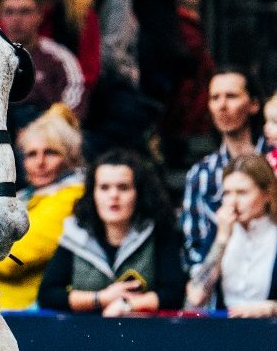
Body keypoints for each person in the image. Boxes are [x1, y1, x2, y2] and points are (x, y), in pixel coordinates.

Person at [39, 149, 183, 314]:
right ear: (93, 194)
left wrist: (126, 306)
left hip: (144, 334)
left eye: (123, 187)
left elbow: (174, 294)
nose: (113, 195)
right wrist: (101, 299)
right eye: (104, 187)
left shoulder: (158, 232)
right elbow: (48, 295)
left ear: (139, 193)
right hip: (85, 335)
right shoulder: (76, 235)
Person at [0, 105, 85, 309]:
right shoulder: (24, 196)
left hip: (31, 311)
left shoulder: (73, 197)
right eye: (31, 154)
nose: (40, 162)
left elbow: (11, 260)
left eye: (51, 153)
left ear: (70, 157)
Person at [181, 70, 267, 274]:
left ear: (253, 104)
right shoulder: (200, 175)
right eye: (214, 98)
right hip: (221, 291)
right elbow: (194, 254)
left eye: (231, 96)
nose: (222, 106)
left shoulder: (273, 162)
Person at [185, 154, 277, 316]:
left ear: (267, 194)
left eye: (242, 193)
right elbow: (196, 296)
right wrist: (222, 240)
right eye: (227, 193)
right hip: (227, 331)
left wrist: (271, 308)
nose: (232, 202)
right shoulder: (220, 231)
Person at [0, 0, 84, 122]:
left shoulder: (58, 57)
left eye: (25, 12)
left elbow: (74, 100)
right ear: (0, 16)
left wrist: (42, 129)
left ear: (40, 15)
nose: (16, 19)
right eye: (9, 12)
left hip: (46, 130)